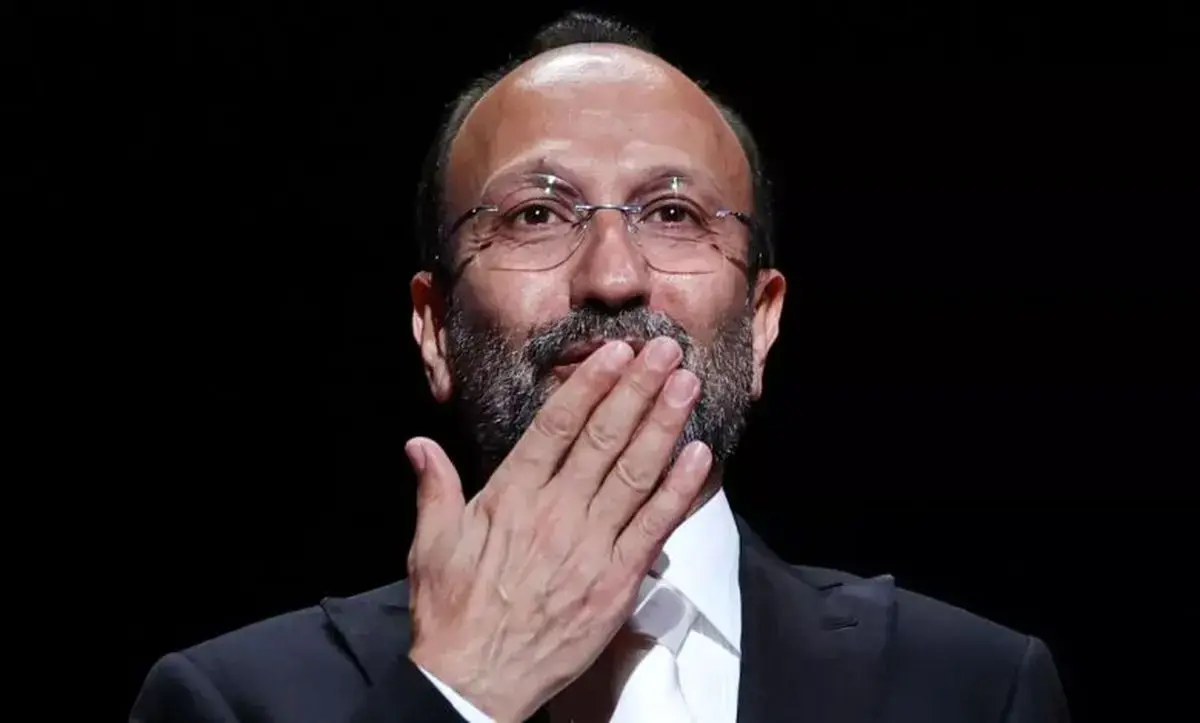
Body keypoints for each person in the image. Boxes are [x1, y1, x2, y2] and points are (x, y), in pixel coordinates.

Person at [130, 11, 1069, 723]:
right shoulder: (230, 700)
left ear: (762, 321)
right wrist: (460, 693)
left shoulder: (972, 689)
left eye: (674, 213)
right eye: (537, 214)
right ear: (435, 328)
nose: (613, 278)